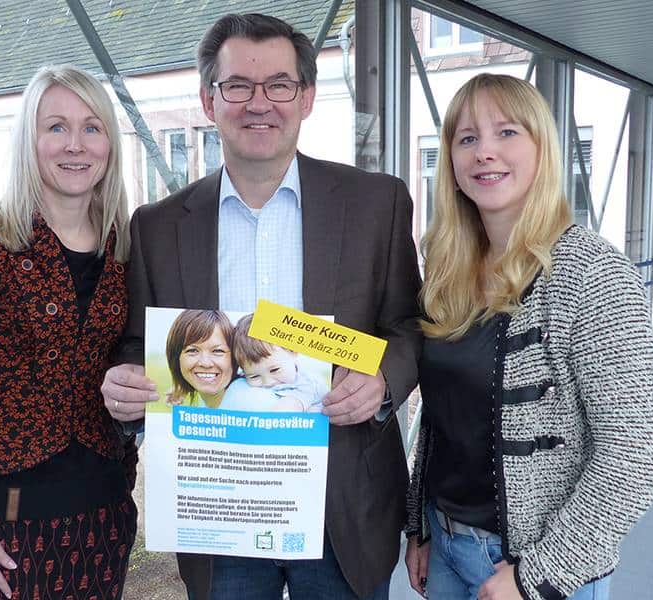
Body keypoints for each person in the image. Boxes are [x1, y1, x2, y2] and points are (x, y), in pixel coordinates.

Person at [101, 12, 422, 600]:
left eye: (279, 85)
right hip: (220, 510)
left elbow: (406, 325)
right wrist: (124, 379)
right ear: (208, 99)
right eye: (238, 87)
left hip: (342, 503)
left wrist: (382, 380)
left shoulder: (378, 204)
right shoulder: (156, 227)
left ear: (306, 97)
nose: (259, 103)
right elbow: (137, 344)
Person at [403, 73, 653, 600]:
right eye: (468, 138)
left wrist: (535, 577)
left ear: (542, 149)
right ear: (451, 163)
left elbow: (636, 454)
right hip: (447, 546)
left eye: (507, 132)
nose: (485, 153)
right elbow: (441, 416)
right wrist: (420, 527)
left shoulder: (591, 272)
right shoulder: (448, 272)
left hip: (532, 564)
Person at [0, 64, 137, 600]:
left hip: (102, 514)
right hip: (2, 525)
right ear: (29, 141)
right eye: (55, 127)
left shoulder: (124, 245)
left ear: (109, 141)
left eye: (92, 127)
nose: (75, 145)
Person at [223, 312, 326, 412]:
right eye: (254, 376)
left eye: (275, 370)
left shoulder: (306, 385)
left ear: (292, 351)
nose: (268, 382)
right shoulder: (241, 383)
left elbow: (289, 408)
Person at [164, 310, 238, 407]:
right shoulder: (207, 401)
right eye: (192, 351)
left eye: (218, 351)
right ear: (176, 358)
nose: (205, 363)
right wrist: (184, 386)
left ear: (236, 356)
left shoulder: (247, 399)